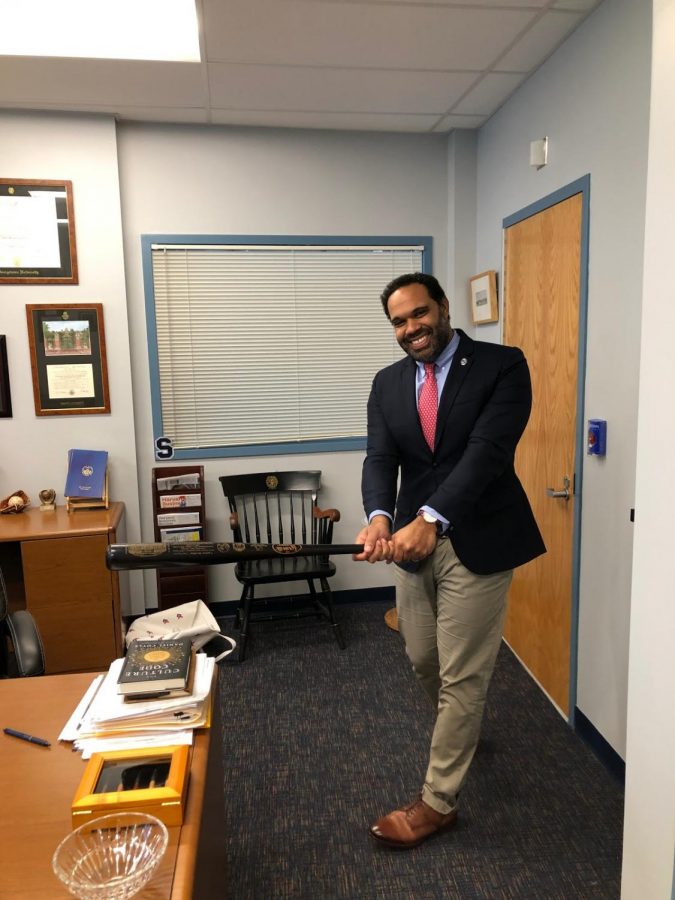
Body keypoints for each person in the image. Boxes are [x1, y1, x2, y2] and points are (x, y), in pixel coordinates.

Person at [354, 272, 545, 850]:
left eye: (419, 313)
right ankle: (460, 731)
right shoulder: (387, 384)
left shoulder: (502, 366)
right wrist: (380, 516)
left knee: (463, 675)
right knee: (422, 656)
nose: (411, 328)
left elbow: (488, 453)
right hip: (411, 546)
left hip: (479, 540)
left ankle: (438, 802)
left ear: (441, 307)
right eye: (399, 321)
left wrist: (431, 519)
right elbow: (380, 457)